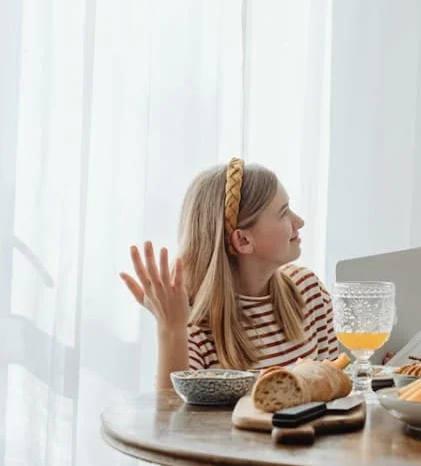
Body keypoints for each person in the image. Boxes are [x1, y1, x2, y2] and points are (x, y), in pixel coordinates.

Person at [118, 158, 338, 389]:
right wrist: (171, 329)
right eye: (283, 213)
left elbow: (336, 391)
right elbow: (171, 421)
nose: (299, 222)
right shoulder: (195, 331)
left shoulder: (308, 290)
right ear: (243, 240)